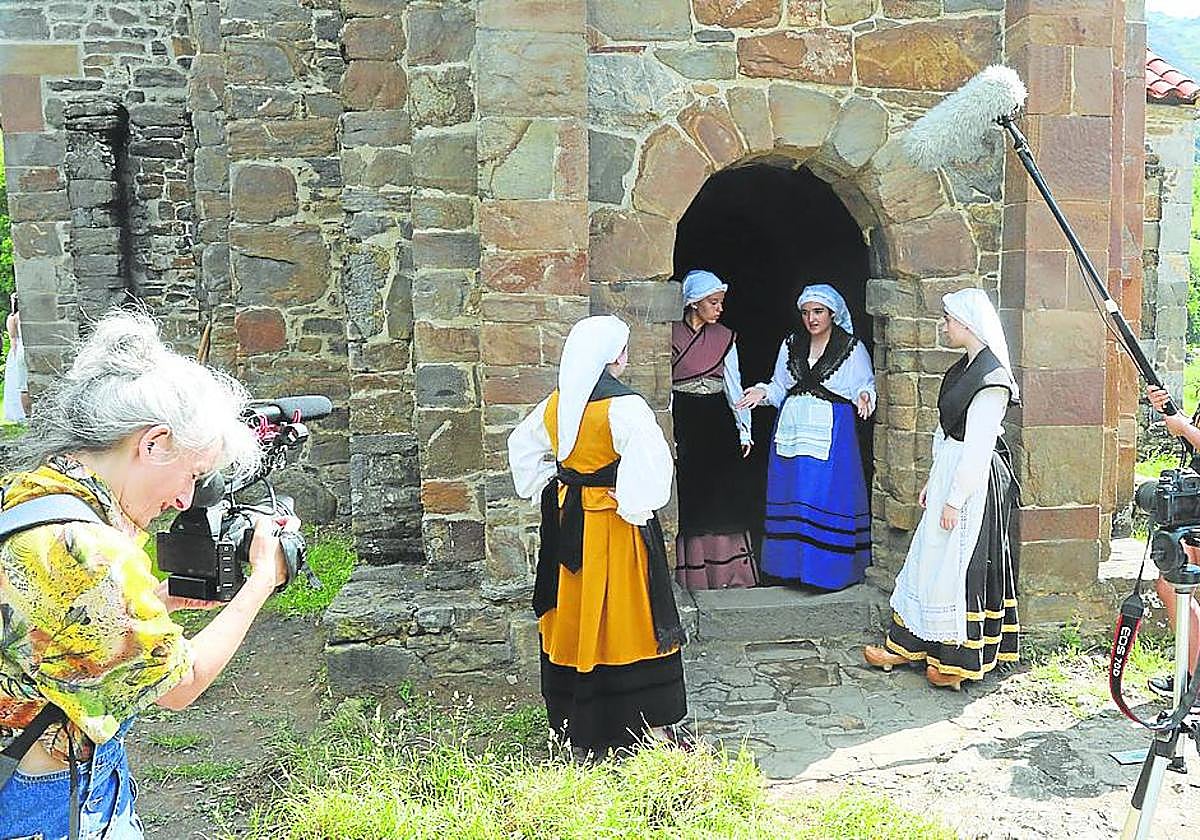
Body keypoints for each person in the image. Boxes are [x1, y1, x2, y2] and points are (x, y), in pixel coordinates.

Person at [0, 310, 298, 839]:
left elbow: (41, 625)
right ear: (154, 442)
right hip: (45, 802)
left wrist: (149, 602)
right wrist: (261, 580)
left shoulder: (30, 494)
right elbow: (178, 687)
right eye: (192, 473)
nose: (185, 498)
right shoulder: (89, 549)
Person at [508, 315, 687, 755]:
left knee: (575, 609)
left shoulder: (556, 404)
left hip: (568, 524)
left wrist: (556, 482)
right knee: (625, 613)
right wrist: (632, 504)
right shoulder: (623, 407)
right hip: (613, 525)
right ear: (614, 358)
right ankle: (644, 723)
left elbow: (523, 448)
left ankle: (576, 720)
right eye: (623, 349)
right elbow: (650, 467)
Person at [864, 288, 1020, 691]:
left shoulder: (992, 381)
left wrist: (954, 498)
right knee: (928, 559)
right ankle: (908, 645)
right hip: (951, 470)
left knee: (958, 565)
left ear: (967, 325)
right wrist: (935, 483)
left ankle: (957, 663)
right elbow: (946, 433)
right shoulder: (961, 370)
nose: (944, 326)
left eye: (949, 320)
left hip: (974, 479)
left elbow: (979, 445)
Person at [736, 284, 875, 590]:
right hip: (792, 432)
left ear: (832, 313)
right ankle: (793, 569)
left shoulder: (850, 346)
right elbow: (779, 385)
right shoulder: (791, 344)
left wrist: (865, 395)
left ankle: (826, 572)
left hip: (830, 433)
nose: (811, 318)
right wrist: (762, 392)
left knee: (822, 495)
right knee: (794, 494)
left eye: (818, 312)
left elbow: (864, 383)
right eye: (806, 312)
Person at [672, 270, 757, 589]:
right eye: (713, 302)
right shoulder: (669, 335)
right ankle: (692, 575)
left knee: (723, 495)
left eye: (721, 302)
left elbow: (734, 386)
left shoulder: (725, 337)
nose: (719, 308)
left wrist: (744, 430)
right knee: (690, 496)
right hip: (684, 419)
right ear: (694, 303)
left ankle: (728, 576)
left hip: (716, 422)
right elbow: (663, 390)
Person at [1142, 384, 1200, 700]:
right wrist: (1173, 414)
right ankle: (1191, 674)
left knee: (1173, 588)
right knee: (1174, 587)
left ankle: (1194, 681)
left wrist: (1184, 428)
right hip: (1194, 496)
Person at [4, 294, 31, 422]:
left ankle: (27, 415)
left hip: (19, 349)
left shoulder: (12, 317)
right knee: (25, 385)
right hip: (27, 348)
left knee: (22, 386)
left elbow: (13, 340)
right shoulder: (26, 315)